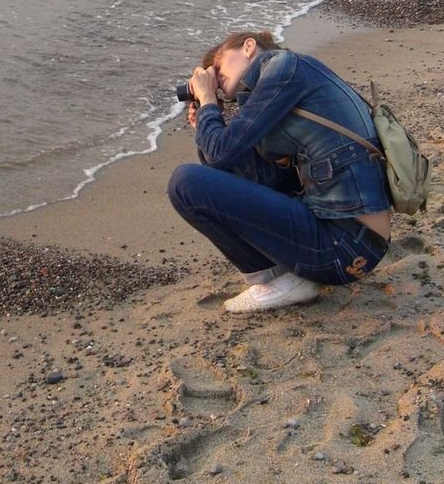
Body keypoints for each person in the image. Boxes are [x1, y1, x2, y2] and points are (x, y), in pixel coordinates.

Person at [167, 31, 392, 314]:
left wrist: (209, 102)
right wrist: (206, 119)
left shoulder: (282, 67)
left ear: (249, 47)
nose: (217, 81)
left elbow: (220, 153)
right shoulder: (287, 81)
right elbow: (229, 167)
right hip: (348, 244)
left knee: (183, 182)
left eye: (218, 68)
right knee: (208, 173)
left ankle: (274, 280)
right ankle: (282, 278)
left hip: (345, 248)